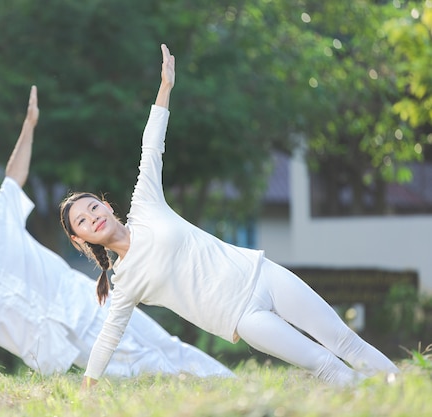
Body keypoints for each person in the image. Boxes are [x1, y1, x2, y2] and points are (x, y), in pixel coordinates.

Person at [60, 44, 400, 389]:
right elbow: (109, 335)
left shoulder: (146, 204)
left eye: (92, 208)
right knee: (323, 363)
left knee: (343, 340)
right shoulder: (126, 282)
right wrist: (88, 387)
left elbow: (151, 147)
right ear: (81, 239)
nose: (93, 218)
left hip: (261, 274)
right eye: (83, 222)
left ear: (106, 205)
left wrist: (165, 88)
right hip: (243, 318)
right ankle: (376, 405)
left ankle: (406, 389)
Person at [0, 85, 235, 383]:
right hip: (68, 345)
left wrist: (29, 125)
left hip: (88, 301)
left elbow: (13, 177)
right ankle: (202, 391)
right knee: (143, 364)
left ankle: (228, 383)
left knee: (164, 344)